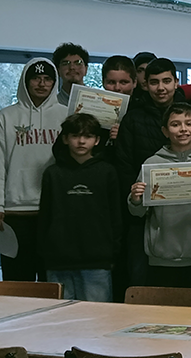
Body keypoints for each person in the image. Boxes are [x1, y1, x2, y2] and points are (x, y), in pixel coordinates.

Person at [113, 58, 185, 295]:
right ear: (145, 85)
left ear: (176, 82)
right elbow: (124, 166)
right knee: (141, 281)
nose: (160, 88)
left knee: (182, 283)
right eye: (154, 82)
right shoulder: (133, 118)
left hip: (183, 212)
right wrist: (139, 201)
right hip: (143, 215)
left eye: (166, 81)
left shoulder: (189, 115)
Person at [129, 103, 191, 290]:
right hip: (162, 255)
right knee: (165, 307)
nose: (183, 129)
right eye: (175, 124)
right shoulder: (152, 163)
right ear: (165, 131)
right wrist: (135, 199)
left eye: (189, 123)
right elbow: (137, 212)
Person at [0, 58, 67, 282]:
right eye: (36, 78)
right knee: (17, 284)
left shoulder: (66, 115)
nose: (42, 84)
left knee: (52, 283)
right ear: (26, 81)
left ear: (54, 82)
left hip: (54, 211)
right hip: (14, 213)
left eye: (47, 79)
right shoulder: (6, 116)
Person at [38, 113, 121, 301]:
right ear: (65, 139)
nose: (81, 141)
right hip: (58, 261)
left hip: (97, 261)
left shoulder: (107, 172)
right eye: (75, 136)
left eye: (88, 136)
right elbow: (44, 218)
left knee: (97, 315)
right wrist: (45, 253)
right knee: (59, 316)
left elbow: (115, 217)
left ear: (97, 140)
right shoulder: (52, 174)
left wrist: (112, 253)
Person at [101, 55, 137, 149]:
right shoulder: (92, 109)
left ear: (135, 82)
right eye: (111, 82)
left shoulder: (144, 112)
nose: (117, 88)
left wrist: (125, 136)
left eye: (124, 82)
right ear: (103, 82)